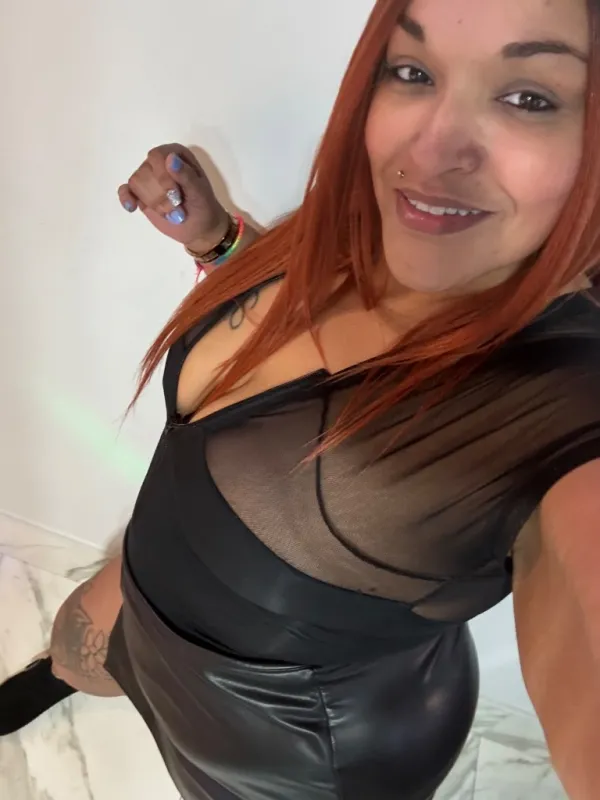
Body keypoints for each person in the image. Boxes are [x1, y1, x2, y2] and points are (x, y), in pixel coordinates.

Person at [2, 0, 600, 797]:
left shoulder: (567, 408)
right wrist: (222, 245)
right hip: (154, 592)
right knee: (77, 650)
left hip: (290, 760)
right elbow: (297, 350)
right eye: (412, 71)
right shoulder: (384, 218)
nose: (430, 147)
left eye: (529, 97)